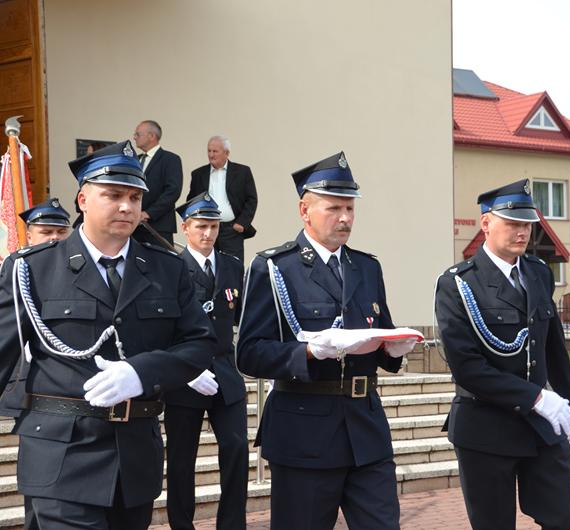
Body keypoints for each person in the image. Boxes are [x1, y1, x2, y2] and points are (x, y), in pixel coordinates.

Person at [0, 140, 215, 529]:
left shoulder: (167, 268)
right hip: (61, 458)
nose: (127, 207)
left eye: (135, 197)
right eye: (113, 195)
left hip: (134, 458)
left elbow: (199, 344)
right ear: (83, 199)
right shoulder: (32, 268)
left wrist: (142, 373)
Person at [237, 152, 414, 530]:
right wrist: (308, 352)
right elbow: (249, 353)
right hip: (305, 433)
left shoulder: (366, 266)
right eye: (334, 208)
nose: (345, 218)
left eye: (350, 208)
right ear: (305, 210)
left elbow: (379, 331)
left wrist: (394, 349)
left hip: (366, 430)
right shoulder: (275, 267)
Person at [434, 179, 570, 530]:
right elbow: (467, 368)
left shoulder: (538, 272)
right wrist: (537, 398)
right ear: (486, 223)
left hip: (540, 428)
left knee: (563, 519)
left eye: (527, 224)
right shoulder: (458, 283)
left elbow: (554, 347)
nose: (522, 232)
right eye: (513, 223)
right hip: (485, 427)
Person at [165, 194, 248, 530]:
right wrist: (184, 371)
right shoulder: (171, 268)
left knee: (236, 447)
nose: (208, 233)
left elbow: (243, 317)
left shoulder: (231, 266)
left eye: (213, 226)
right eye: (201, 226)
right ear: (185, 228)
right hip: (185, 377)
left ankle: (232, 525)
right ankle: (182, 525)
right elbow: (163, 327)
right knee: (182, 459)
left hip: (225, 372)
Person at [0, 198, 72, 530]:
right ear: (29, 235)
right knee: (39, 489)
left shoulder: (76, 265)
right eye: (46, 232)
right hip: (30, 381)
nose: (54, 238)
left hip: (65, 387)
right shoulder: (20, 266)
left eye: (60, 231)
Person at [187, 135, 257, 262]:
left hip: (232, 230)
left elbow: (251, 199)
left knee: (233, 266)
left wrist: (242, 223)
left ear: (227, 153)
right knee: (206, 264)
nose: (211, 155)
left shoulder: (242, 172)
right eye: (209, 151)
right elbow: (192, 200)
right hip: (206, 229)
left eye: (215, 151)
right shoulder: (198, 174)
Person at [132, 120, 183, 247]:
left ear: (151, 136)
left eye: (138, 134)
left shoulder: (170, 159)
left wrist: (149, 213)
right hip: (134, 226)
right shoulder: (135, 160)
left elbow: (173, 191)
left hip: (158, 226)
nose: (134, 137)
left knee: (161, 259)